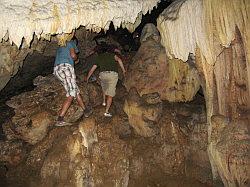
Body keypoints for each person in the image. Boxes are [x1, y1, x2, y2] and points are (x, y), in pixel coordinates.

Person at [53, 36, 92, 126]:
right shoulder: (71, 42)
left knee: (75, 90)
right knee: (71, 93)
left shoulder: (61, 45)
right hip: (66, 67)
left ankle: (85, 110)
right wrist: (76, 59)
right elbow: (73, 55)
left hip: (57, 69)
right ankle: (60, 118)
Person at [86, 44, 126, 117]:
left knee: (104, 88)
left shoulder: (99, 57)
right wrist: (123, 70)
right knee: (110, 95)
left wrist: (87, 78)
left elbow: (92, 69)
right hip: (112, 75)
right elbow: (119, 60)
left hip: (103, 75)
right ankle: (106, 112)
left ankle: (104, 102)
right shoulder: (112, 55)